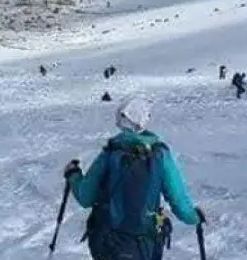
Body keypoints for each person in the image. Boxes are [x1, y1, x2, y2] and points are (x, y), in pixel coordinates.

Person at [63, 97, 204, 260]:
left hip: (108, 240)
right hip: (144, 242)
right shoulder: (160, 154)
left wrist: (73, 175)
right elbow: (179, 200)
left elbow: (85, 197)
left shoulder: (110, 153)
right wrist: (194, 217)